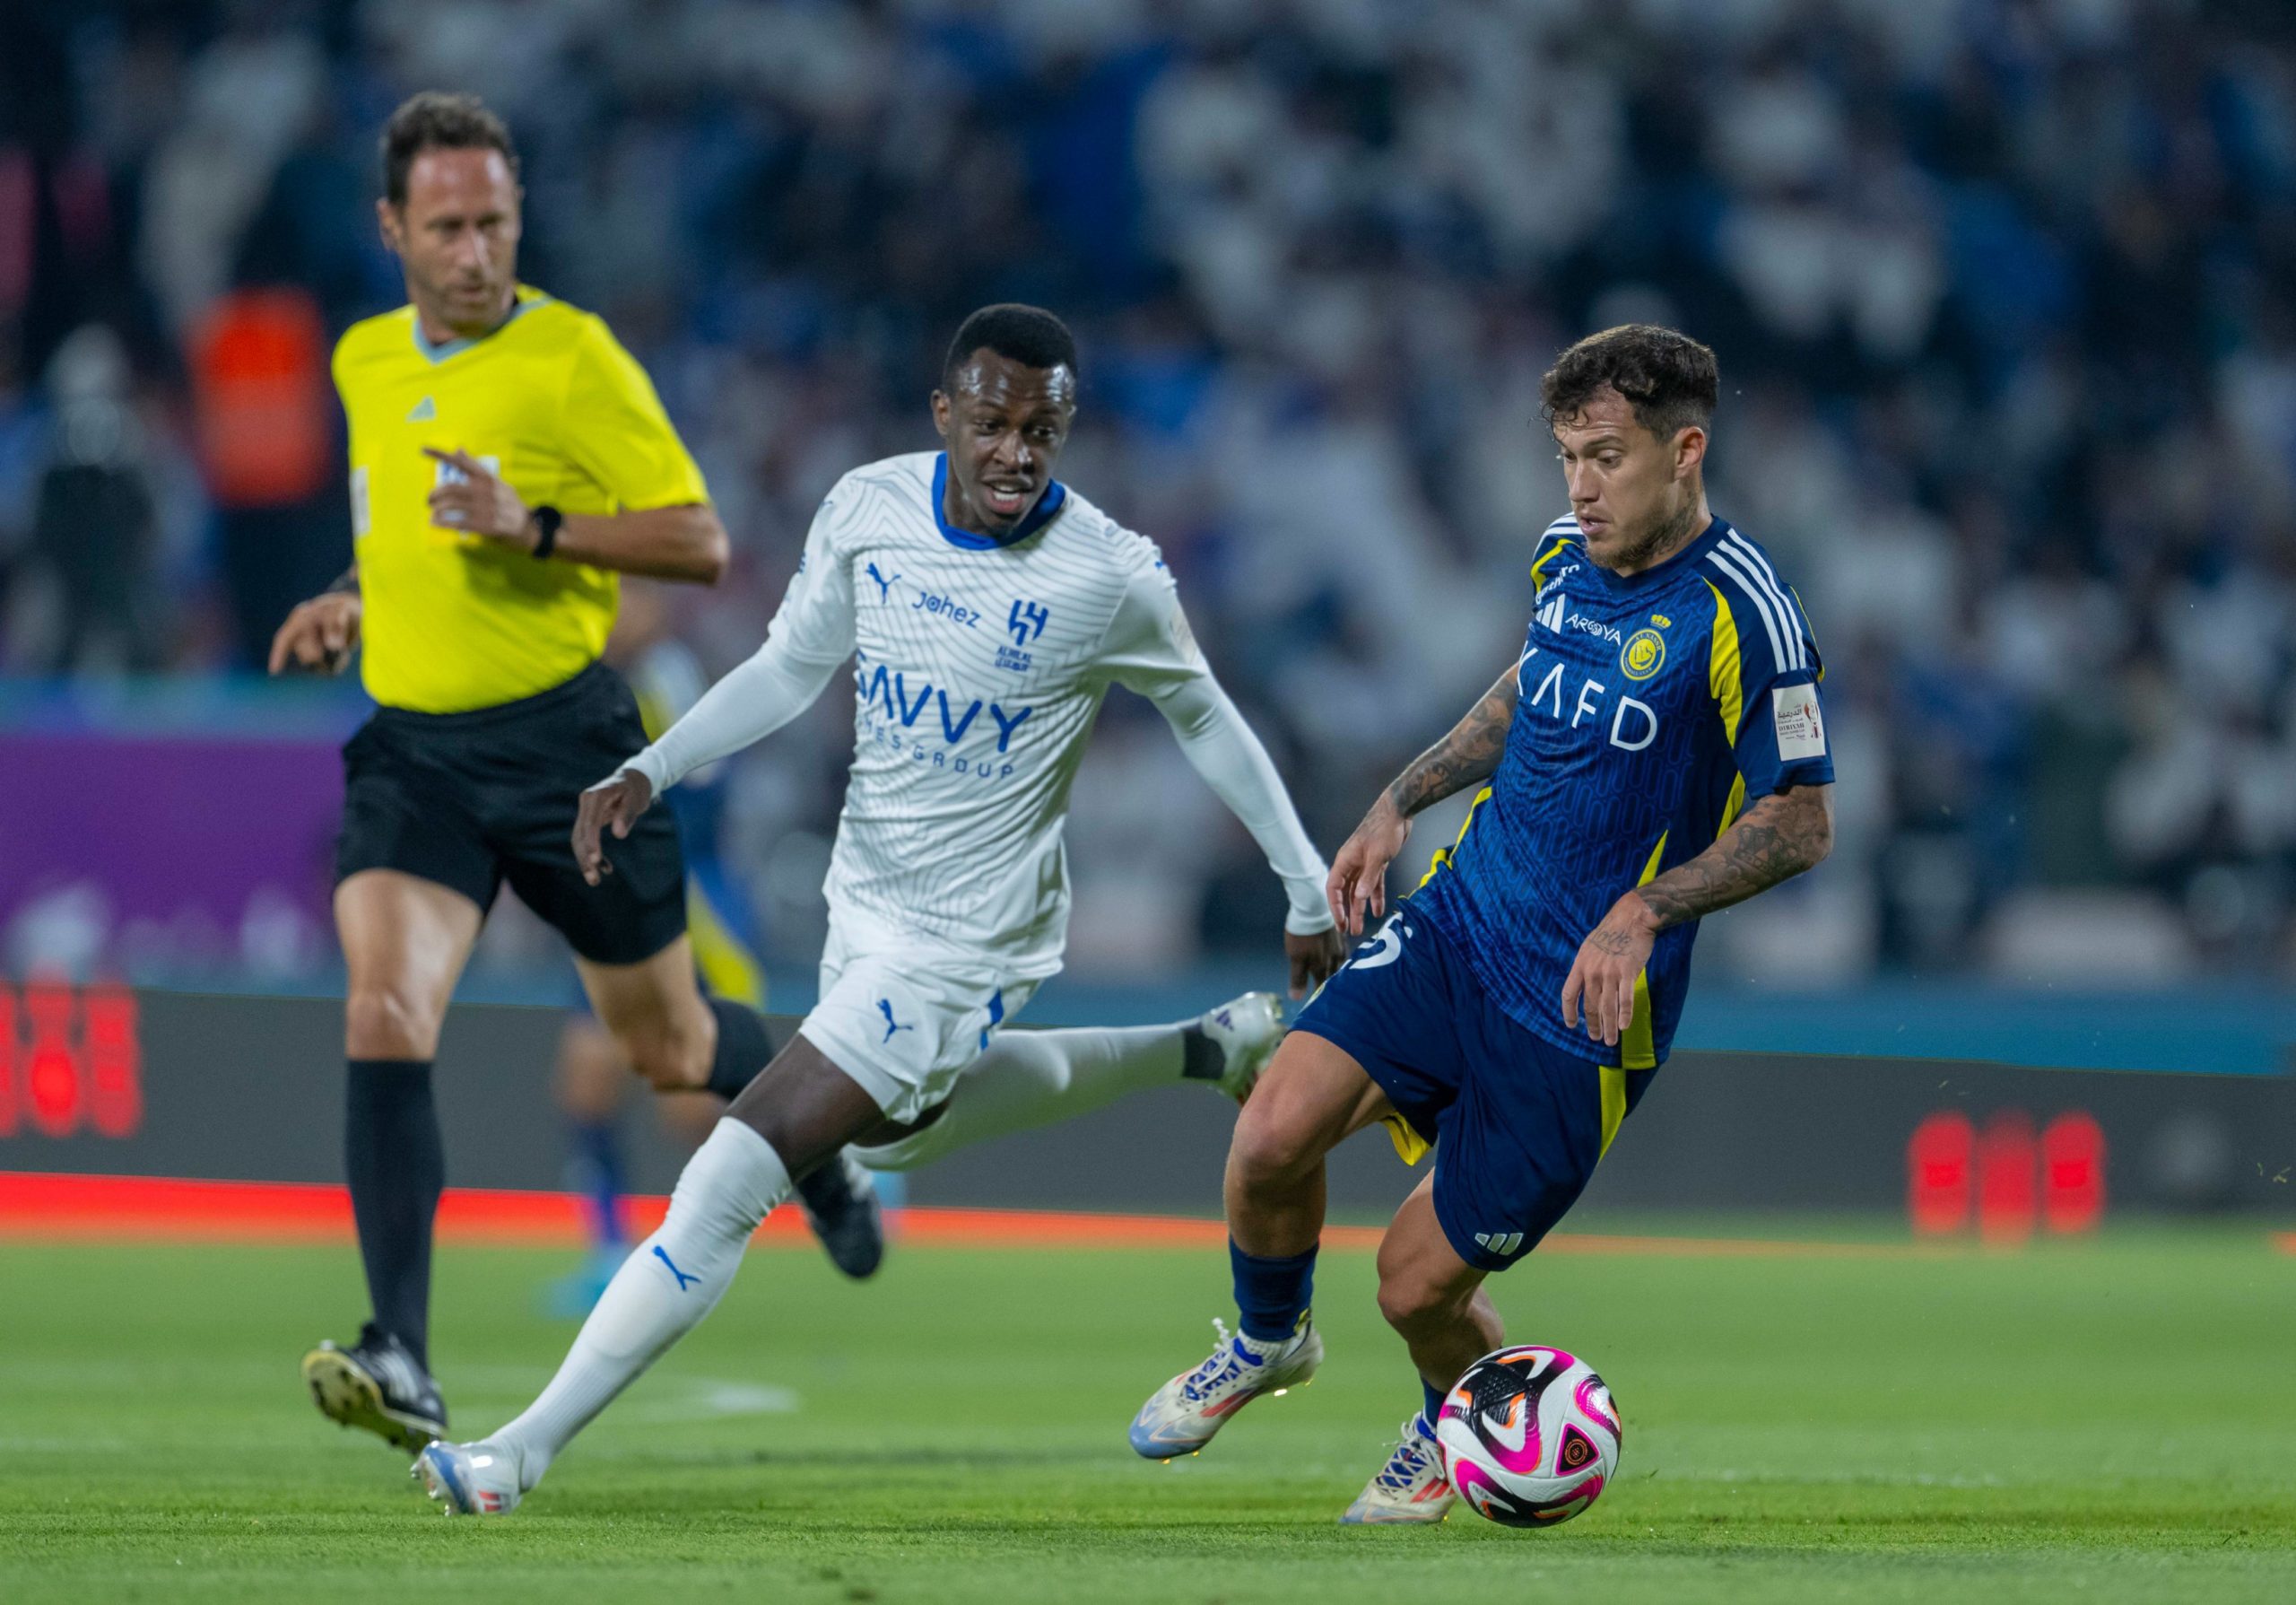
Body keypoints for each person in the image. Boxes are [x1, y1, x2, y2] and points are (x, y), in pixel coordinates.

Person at [411, 302, 1351, 1513]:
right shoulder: (867, 509)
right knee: (897, 1135)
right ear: (946, 414)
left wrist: (1303, 879)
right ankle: (1209, 1048)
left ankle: (516, 1453)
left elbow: (1206, 717)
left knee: (733, 1171)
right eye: (996, 422)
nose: (1018, 451)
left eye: (1044, 430)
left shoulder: (1109, 575)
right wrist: (656, 766)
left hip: (970, 938)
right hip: (869, 908)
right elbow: (789, 668)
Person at [1127, 325, 1837, 1523]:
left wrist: (1643, 910)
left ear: (1687, 450)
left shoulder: (1745, 614)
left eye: (1606, 456)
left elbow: (1804, 819)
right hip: (1461, 923)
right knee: (1268, 1136)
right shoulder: (1564, 556)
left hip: (1574, 1017)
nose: (1581, 485)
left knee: (1413, 1290)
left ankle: (1446, 1420)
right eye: (1566, 455)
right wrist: (1402, 796)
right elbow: (1527, 693)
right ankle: (1266, 1336)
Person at [269, 92, 868, 1459]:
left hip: (569, 746)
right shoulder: (364, 360)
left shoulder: (572, 356)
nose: (477, 250)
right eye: (448, 227)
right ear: (392, 230)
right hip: (416, 750)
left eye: (495, 222)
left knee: (666, 1043)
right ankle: (403, 1353)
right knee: (384, 1005)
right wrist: (355, 596)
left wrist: (535, 526)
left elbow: (703, 540)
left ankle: (821, 1156)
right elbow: (405, 533)